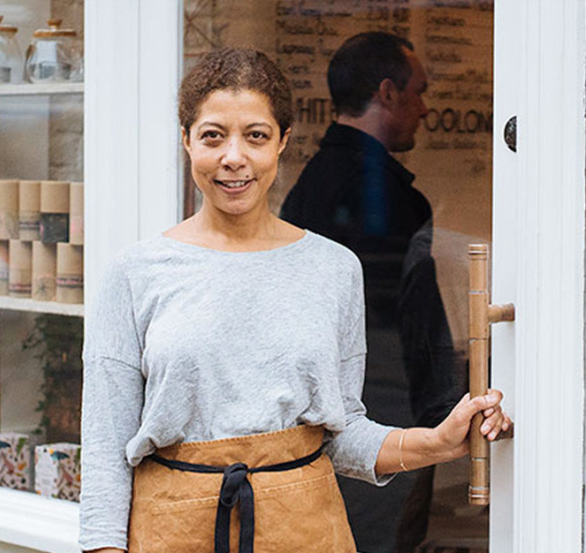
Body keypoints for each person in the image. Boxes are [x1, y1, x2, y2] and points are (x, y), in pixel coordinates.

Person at [79, 47, 509, 553]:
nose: (233, 157)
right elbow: (107, 451)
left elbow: (342, 433)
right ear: (186, 141)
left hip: (306, 529)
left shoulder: (334, 268)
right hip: (172, 530)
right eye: (213, 136)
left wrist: (435, 442)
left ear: (283, 140)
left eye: (255, 136)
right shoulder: (134, 274)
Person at [280, 32, 459, 552]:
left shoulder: (308, 187)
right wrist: (440, 411)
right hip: (380, 415)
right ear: (387, 92)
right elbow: (401, 324)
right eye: (418, 92)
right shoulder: (386, 200)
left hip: (321, 418)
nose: (426, 108)